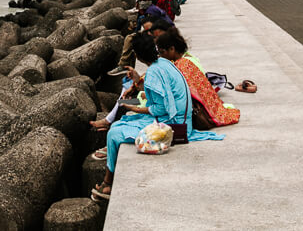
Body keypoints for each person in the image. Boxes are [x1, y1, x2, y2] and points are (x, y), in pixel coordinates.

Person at [91, 33, 224, 202]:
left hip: (173, 128)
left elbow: (162, 108)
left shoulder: (154, 71)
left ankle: (107, 183)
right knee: (124, 121)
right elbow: (164, 98)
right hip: (182, 122)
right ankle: (109, 157)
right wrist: (140, 88)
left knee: (114, 133)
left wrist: (134, 108)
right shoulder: (164, 63)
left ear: (137, 56)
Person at [157, 29, 240, 127]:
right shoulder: (185, 61)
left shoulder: (180, 65)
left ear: (172, 49)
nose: (161, 56)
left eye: (162, 52)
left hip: (200, 110)